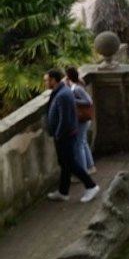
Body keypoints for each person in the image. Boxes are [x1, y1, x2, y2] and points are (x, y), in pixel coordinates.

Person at [44, 68, 98, 203]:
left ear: (54, 80)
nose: (45, 83)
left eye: (47, 80)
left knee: (71, 163)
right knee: (65, 164)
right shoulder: (61, 92)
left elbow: (65, 119)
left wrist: (58, 135)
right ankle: (63, 191)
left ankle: (91, 186)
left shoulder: (63, 94)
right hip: (64, 135)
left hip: (65, 136)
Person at [64, 64, 95, 178]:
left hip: (82, 118)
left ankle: (83, 171)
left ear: (68, 76)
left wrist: (74, 100)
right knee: (83, 142)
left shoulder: (77, 88)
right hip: (82, 119)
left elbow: (88, 101)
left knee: (79, 144)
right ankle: (90, 166)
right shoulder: (74, 86)